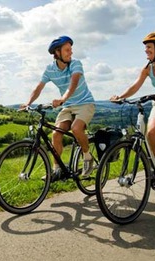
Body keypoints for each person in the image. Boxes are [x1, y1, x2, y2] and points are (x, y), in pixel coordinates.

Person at [22, 35, 95, 181]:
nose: (71, 52)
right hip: (68, 106)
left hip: (85, 103)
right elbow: (39, 87)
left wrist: (62, 99)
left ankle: (88, 158)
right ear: (57, 53)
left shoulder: (76, 64)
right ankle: (57, 170)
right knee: (56, 134)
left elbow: (72, 84)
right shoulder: (50, 69)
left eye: (71, 49)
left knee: (76, 129)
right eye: (67, 50)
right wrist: (28, 102)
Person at [110, 31, 155, 164]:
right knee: (151, 133)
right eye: (146, 47)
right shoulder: (148, 68)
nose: (146, 50)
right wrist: (120, 96)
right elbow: (135, 86)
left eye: (149, 47)